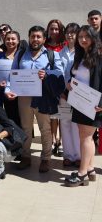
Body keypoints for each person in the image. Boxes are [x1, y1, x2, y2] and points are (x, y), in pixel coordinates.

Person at [5, 26, 64, 173]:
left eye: (38, 37)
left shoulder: (51, 55)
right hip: (24, 97)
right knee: (25, 127)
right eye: (33, 36)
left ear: (44, 39)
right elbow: (12, 74)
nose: (35, 39)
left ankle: (46, 158)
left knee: (45, 128)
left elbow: (60, 73)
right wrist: (8, 89)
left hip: (43, 97)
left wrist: (47, 74)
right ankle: (26, 156)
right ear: (29, 37)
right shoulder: (20, 54)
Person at [64, 25, 102, 187]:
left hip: (94, 104)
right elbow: (78, 78)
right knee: (86, 137)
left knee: (86, 137)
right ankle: (90, 168)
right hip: (79, 101)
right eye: (80, 37)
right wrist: (69, 85)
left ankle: (82, 174)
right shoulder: (79, 56)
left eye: (87, 36)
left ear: (94, 38)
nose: (83, 40)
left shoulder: (99, 56)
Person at [59, 23, 81, 167]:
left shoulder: (82, 52)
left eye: (73, 32)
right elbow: (58, 73)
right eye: (67, 32)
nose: (70, 35)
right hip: (63, 94)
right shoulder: (60, 53)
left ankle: (78, 156)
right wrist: (61, 90)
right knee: (65, 122)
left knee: (76, 125)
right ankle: (68, 155)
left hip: (79, 94)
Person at [45, 19, 66, 157]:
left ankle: (62, 141)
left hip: (64, 84)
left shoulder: (65, 45)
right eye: (51, 29)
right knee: (53, 115)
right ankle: (53, 140)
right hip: (50, 85)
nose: (54, 31)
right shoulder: (45, 45)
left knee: (63, 115)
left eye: (57, 29)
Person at [0, 31, 21, 128]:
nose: (10, 41)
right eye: (8, 39)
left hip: (21, 94)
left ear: (18, 41)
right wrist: (0, 87)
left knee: (22, 121)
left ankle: (24, 142)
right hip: (4, 94)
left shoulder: (22, 56)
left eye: (13, 39)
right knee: (8, 121)